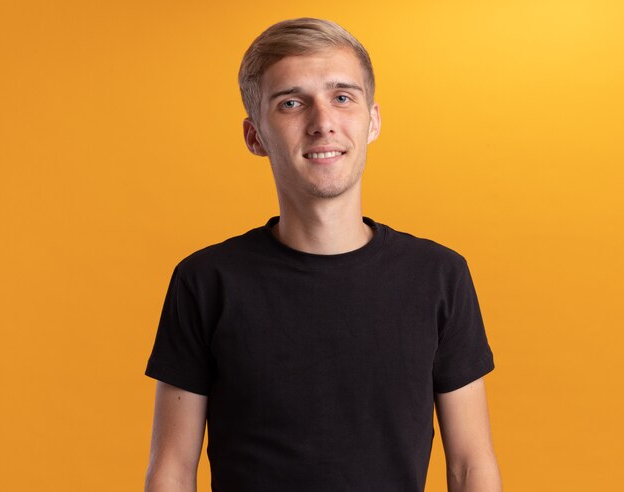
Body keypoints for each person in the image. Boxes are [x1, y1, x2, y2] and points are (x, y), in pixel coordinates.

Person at [144, 17, 502, 492]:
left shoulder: (439, 276)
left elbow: (470, 466)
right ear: (255, 136)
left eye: (342, 97)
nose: (322, 123)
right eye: (291, 103)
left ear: (372, 120)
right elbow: (171, 470)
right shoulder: (206, 282)